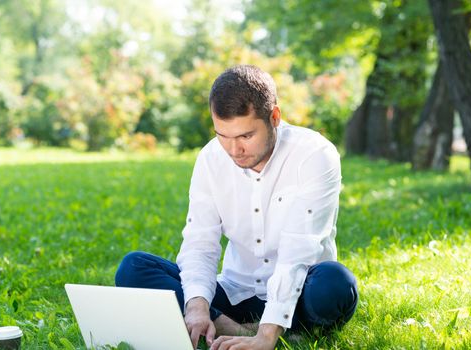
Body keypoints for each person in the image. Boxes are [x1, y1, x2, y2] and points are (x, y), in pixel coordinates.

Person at [115, 65, 358, 350]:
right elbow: (199, 242)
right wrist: (197, 306)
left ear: (274, 117)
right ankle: (231, 327)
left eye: (245, 136)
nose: (233, 151)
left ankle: (273, 331)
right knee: (134, 268)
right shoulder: (210, 158)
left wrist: (266, 336)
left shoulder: (315, 154)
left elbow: (298, 252)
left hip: (300, 295)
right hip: (236, 295)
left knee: (336, 283)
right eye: (223, 135)